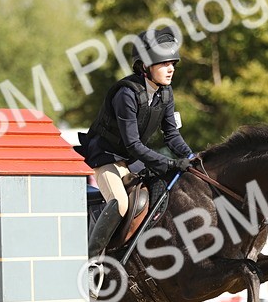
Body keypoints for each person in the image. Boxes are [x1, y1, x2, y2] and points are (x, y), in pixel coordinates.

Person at [76, 28, 195, 256]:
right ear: (145, 66)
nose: (171, 69)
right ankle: (91, 258)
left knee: (164, 191)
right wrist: (169, 164)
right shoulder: (126, 94)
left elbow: (172, 135)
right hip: (106, 158)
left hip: (132, 161)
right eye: (163, 64)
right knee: (120, 203)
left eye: (173, 63)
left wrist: (191, 157)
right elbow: (132, 144)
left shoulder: (165, 93)